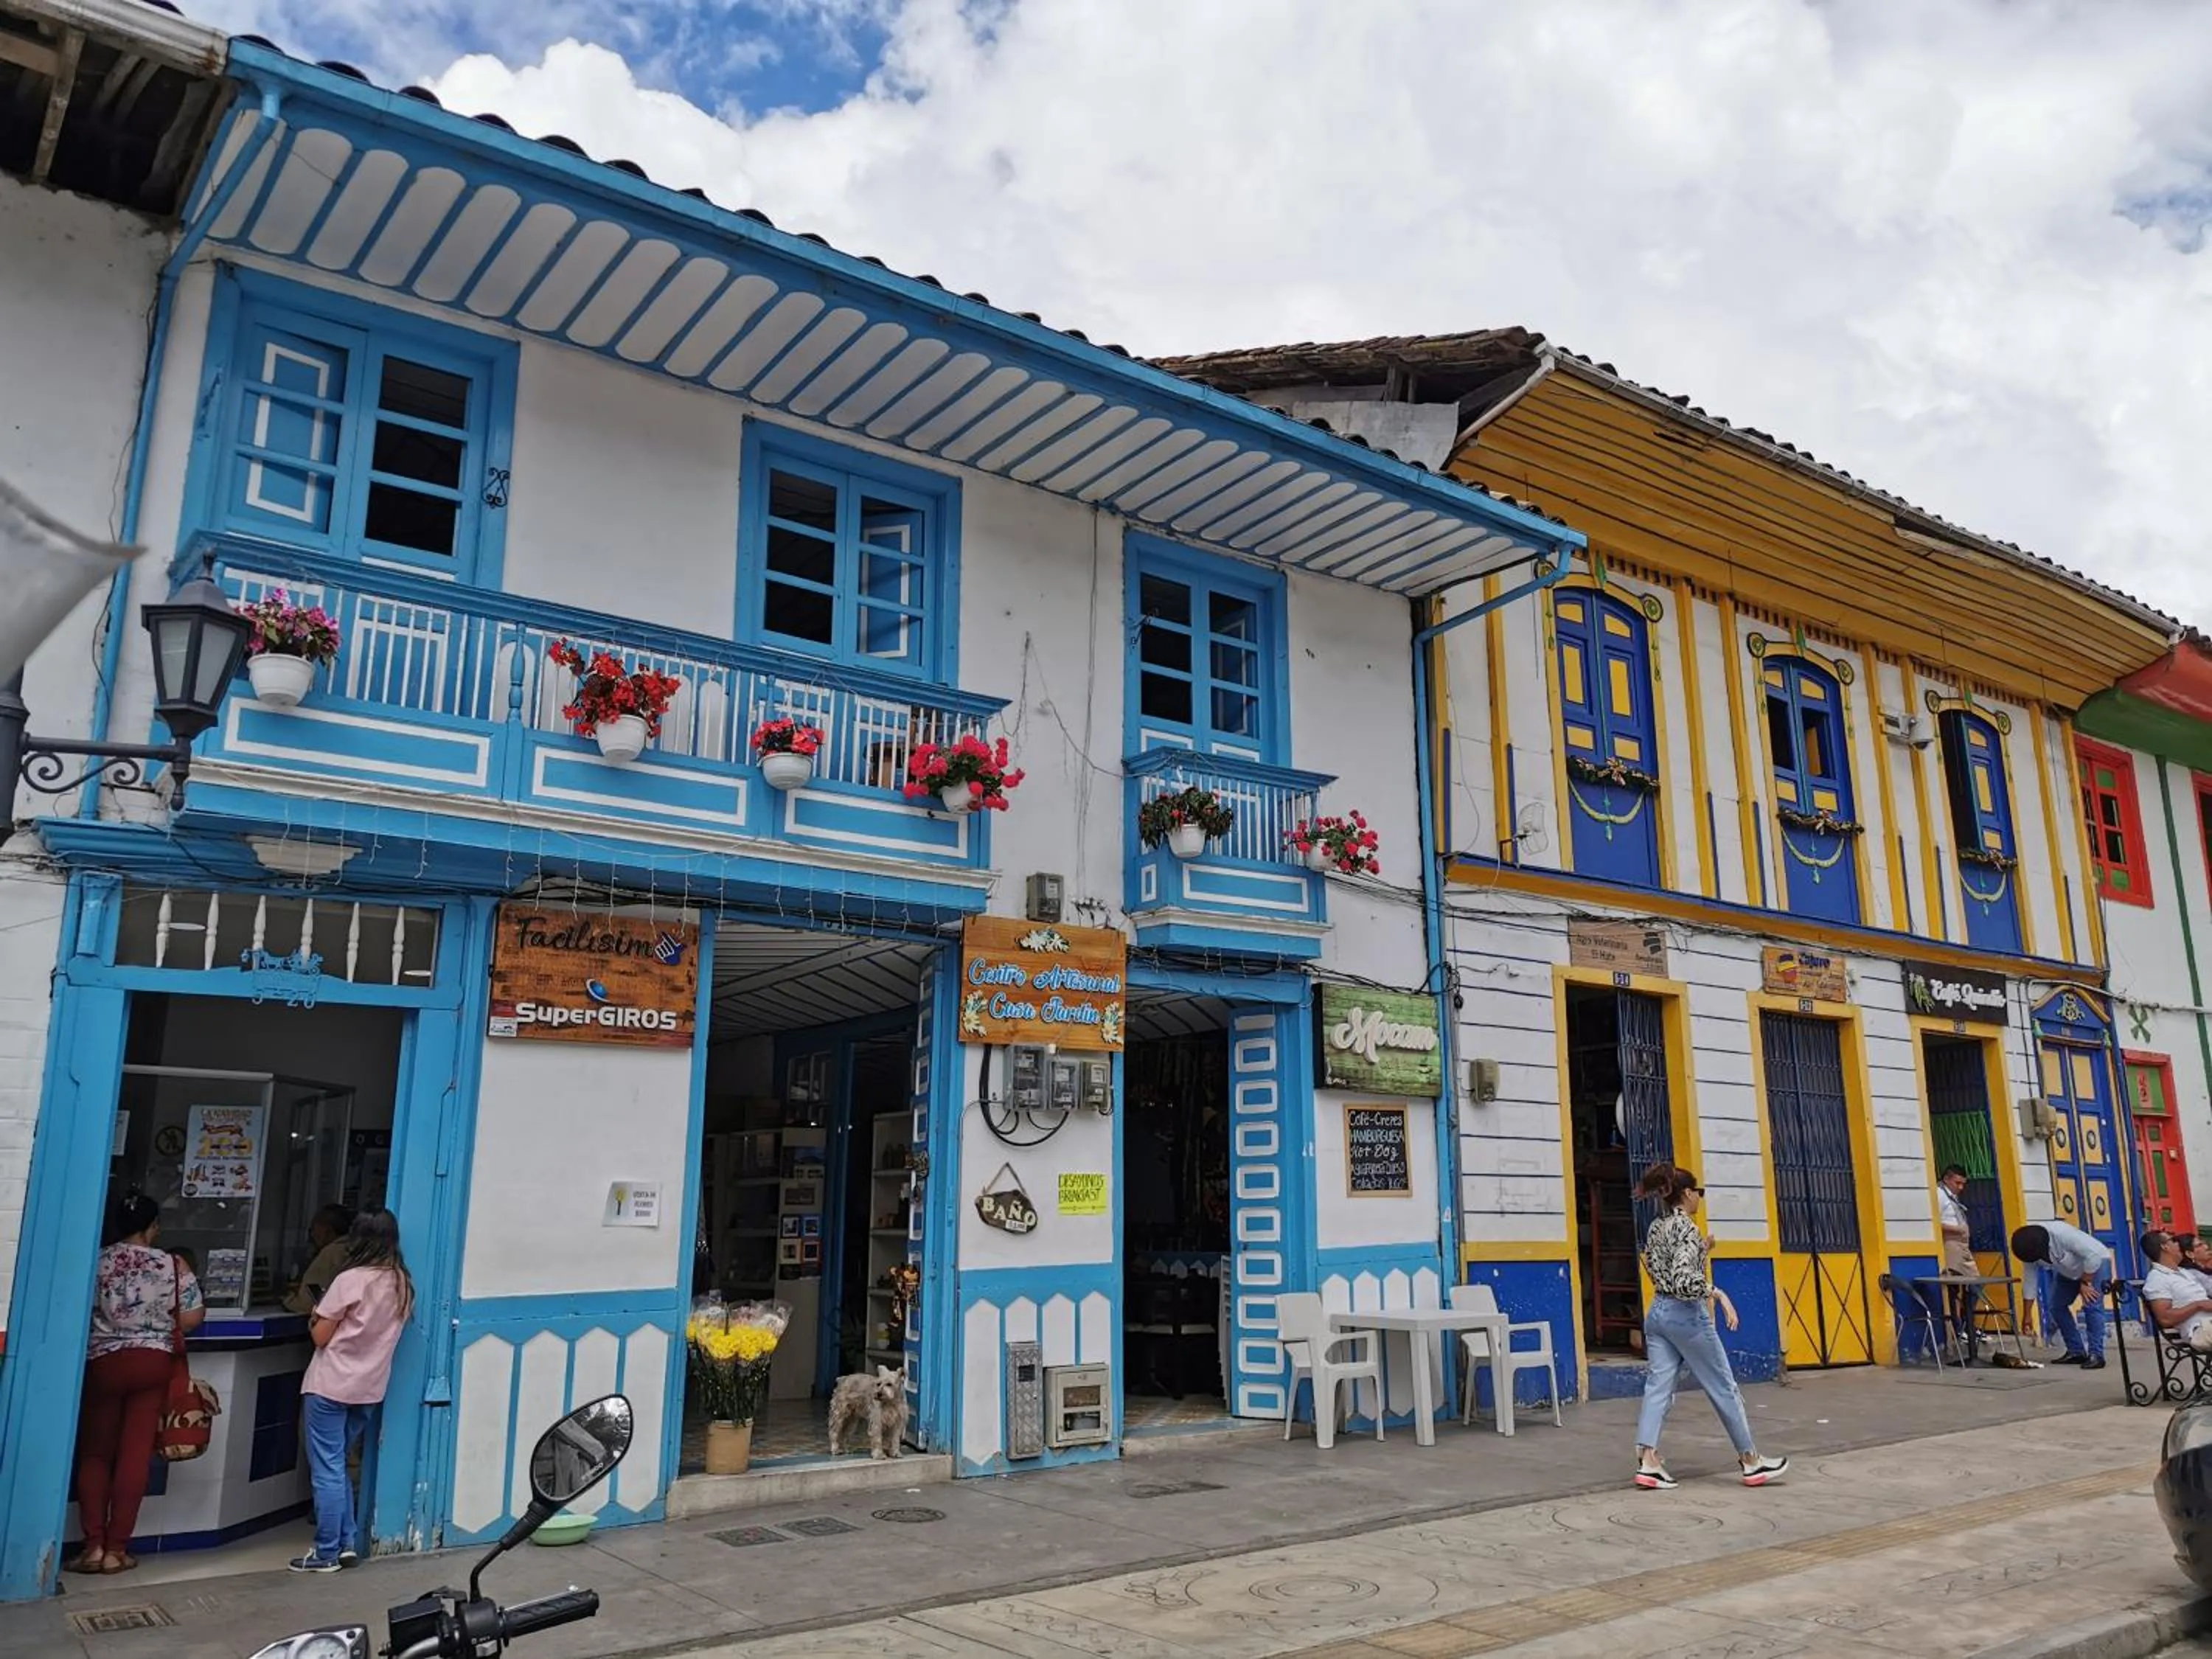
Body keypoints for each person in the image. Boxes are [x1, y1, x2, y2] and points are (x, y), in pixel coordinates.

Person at [1632, 1162, 1789, 1490]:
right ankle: (1751, 1461)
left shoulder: (1657, 1227)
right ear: (1687, 1194)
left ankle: (1648, 1460)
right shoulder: (1686, 1228)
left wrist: (1703, 1250)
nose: (1700, 1199)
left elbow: (1663, 1269)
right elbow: (1684, 1278)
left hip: (1658, 1313)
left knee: (1658, 1387)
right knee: (1723, 1386)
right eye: (1698, 1192)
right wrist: (1717, 1293)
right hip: (1687, 1315)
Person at [69, 1194, 204, 1574]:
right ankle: (117, 1551)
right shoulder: (171, 1263)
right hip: (152, 1363)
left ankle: (92, 1547)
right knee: (134, 1455)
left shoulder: (95, 1260)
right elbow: (192, 1318)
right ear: (152, 1227)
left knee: (96, 1454)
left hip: (103, 1363)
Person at [293, 1208, 414, 1573]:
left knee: (327, 1469)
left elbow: (321, 1336)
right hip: (368, 1390)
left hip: (330, 1385)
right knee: (340, 1463)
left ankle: (326, 1552)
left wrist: (316, 1314)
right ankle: (346, 1542)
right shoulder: (402, 1283)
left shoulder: (350, 1280)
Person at [2010, 1220, 2112, 1369]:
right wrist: (2027, 1315)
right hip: (2068, 1271)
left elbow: (2093, 1257)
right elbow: (2030, 1283)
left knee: (2092, 1306)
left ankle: (2097, 1355)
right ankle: (2076, 1351)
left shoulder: (2062, 1234)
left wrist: (2085, 1283)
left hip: (2096, 1264)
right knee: (2056, 1307)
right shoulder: (2028, 1247)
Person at [1934, 1165, 1980, 1359]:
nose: (1960, 1187)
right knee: (1957, 1286)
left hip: (1962, 1245)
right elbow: (1935, 1221)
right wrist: (1957, 1230)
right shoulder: (1939, 1194)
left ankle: (1966, 1323)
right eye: (1957, 1183)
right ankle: (1960, 1325)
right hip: (1951, 1244)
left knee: (1974, 1286)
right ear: (1947, 1179)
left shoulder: (1952, 1196)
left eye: (1963, 1184)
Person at [2141, 1229, 2212, 1354]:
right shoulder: (2157, 1278)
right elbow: (2165, 1319)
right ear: (2165, 1247)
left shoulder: (2185, 1273)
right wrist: (2198, 1305)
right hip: (2199, 1330)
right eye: (2173, 1240)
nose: (2178, 1244)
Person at [285, 1204, 355, 1316]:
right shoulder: (356, 1250)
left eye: (314, 1227)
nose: (312, 1234)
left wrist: (288, 1300)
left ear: (327, 1230)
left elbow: (311, 1302)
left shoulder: (330, 1254)